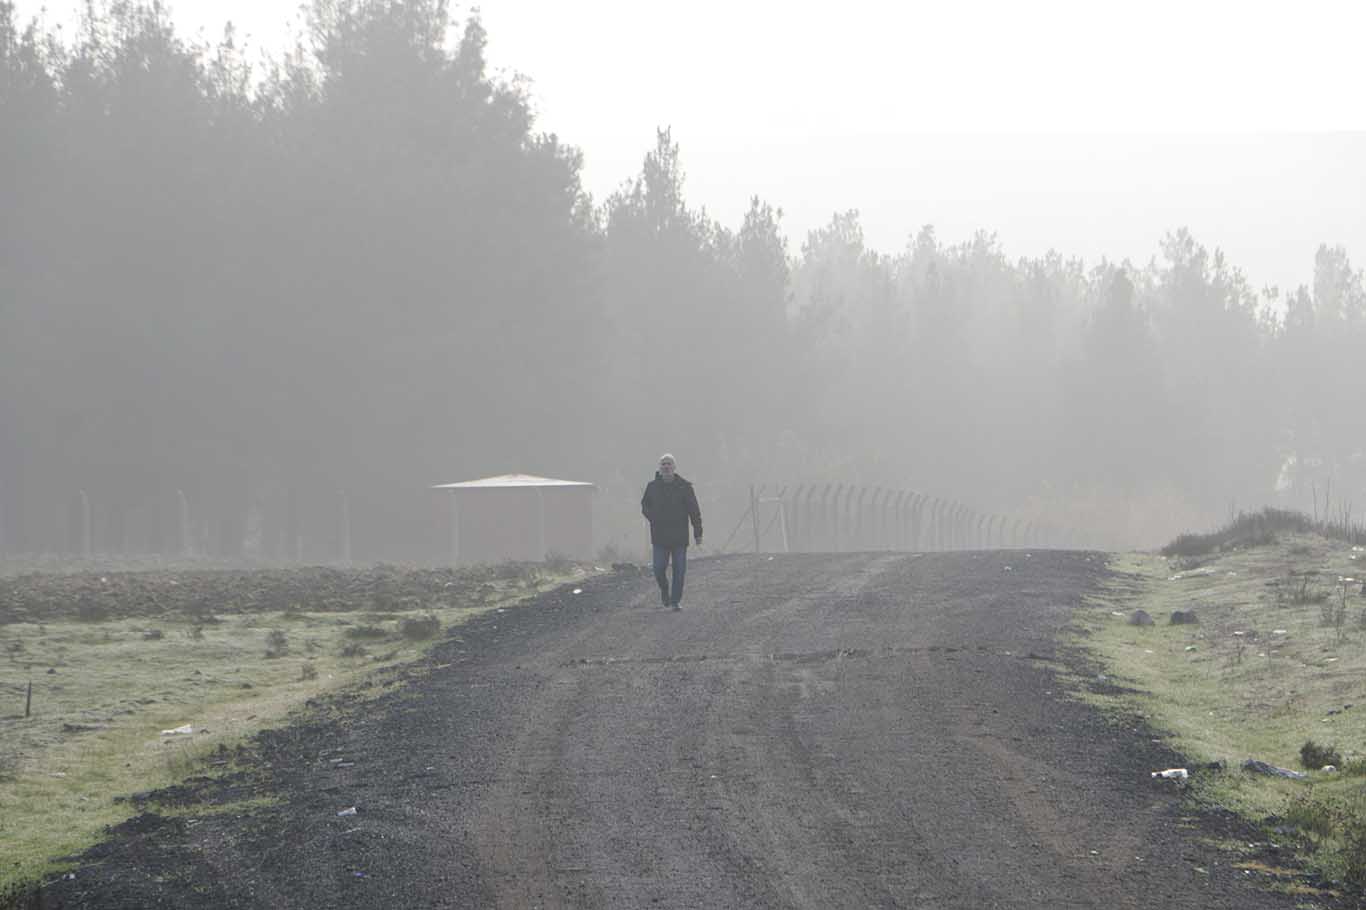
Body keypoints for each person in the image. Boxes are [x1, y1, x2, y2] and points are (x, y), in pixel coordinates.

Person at [640, 453, 702, 609]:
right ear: (659, 468)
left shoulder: (684, 487)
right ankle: (664, 590)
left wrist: (698, 532)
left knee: (679, 571)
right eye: (663, 464)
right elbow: (645, 506)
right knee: (658, 568)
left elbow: (694, 510)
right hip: (660, 537)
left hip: (679, 537)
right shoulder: (652, 487)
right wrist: (653, 517)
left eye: (669, 464)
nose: (666, 466)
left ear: (674, 467)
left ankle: (675, 601)